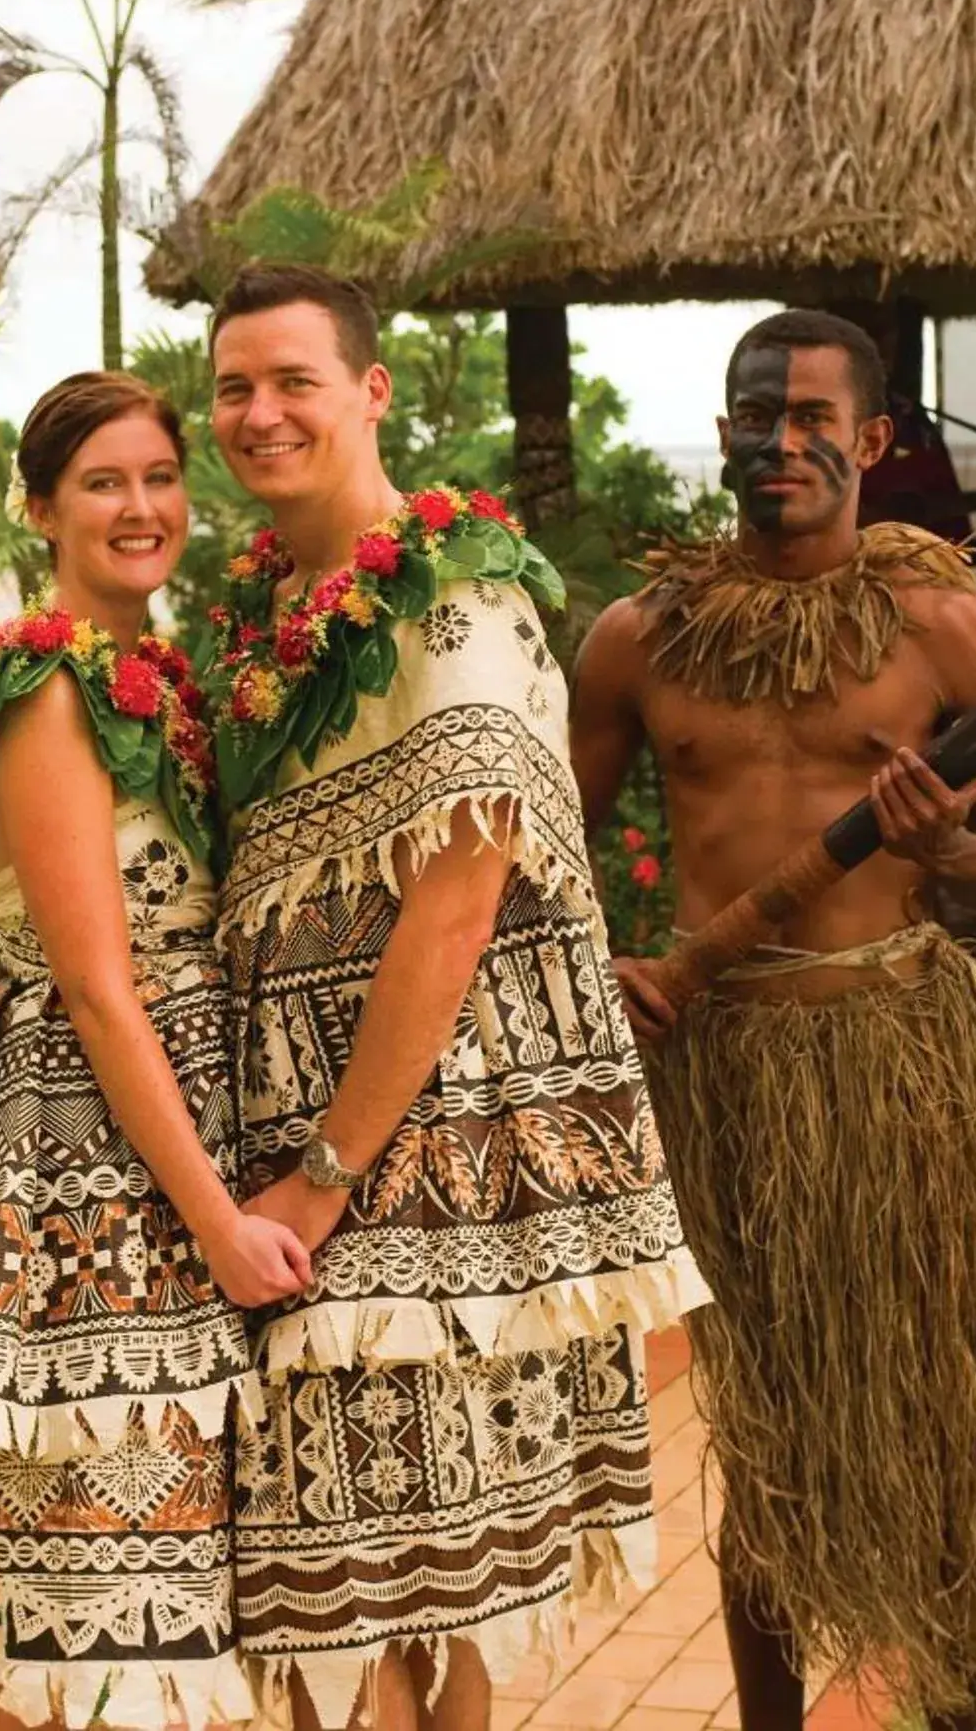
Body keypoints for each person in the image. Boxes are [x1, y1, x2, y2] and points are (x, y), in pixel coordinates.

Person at [203, 264, 709, 1731]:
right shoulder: (268, 618)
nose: (260, 411)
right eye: (235, 385)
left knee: (409, 1593)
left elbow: (458, 898)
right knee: (333, 1586)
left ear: (371, 392)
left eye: (294, 379)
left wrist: (324, 1174)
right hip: (296, 1127)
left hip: (424, 1145)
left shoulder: (460, 598)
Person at [572, 308, 976, 1731]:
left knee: (937, 1404)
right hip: (723, 1065)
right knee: (767, 1425)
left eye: (809, 417)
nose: (777, 441)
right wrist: (600, 959)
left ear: (874, 440)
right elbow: (543, 844)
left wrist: (952, 848)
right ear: (721, 430)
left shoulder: (943, 627)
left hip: (890, 1051)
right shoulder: (640, 637)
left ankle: (956, 1710)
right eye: (752, 414)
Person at [0, 370, 313, 1731]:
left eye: (160, 477)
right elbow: (96, 990)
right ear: (38, 508)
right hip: (87, 1176)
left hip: (166, 1154)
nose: (141, 505)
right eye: (104, 482)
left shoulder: (166, 684)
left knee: (115, 1621)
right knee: (89, 1623)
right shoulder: (42, 690)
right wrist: (215, 1219)